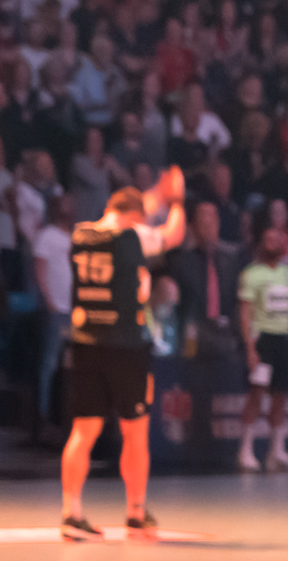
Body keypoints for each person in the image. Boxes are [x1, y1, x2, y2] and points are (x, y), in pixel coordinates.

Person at [60, 169, 186, 541]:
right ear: (137, 217)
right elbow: (173, 234)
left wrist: (155, 196)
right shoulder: (135, 235)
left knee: (83, 430)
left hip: (85, 342)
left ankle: (71, 510)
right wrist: (175, 199)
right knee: (135, 431)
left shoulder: (81, 234)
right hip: (127, 346)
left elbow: (130, 209)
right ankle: (134, 511)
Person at [237, 224, 288, 473]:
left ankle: (276, 452)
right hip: (263, 341)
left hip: (283, 341)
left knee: (281, 396)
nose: (273, 243)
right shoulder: (251, 274)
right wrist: (250, 347)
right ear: (261, 243)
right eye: (268, 239)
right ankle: (245, 450)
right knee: (257, 395)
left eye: (277, 239)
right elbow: (245, 313)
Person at [170, 201, 243, 357]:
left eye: (212, 220)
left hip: (225, 337)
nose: (208, 225)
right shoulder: (182, 262)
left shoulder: (232, 261)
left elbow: (237, 303)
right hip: (193, 339)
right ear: (193, 227)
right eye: (203, 222)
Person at [33, 192, 75, 425]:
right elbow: (40, 269)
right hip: (55, 309)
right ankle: (43, 413)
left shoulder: (75, 237)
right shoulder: (47, 236)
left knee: (68, 364)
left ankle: (64, 413)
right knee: (49, 363)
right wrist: (47, 299)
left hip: (72, 310)